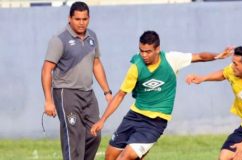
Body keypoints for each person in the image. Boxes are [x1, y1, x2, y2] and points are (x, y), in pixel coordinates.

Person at [90, 30, 233, 160]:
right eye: (141, 51)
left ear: (157, 49)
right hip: (134, 115)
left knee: (126, 157)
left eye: (148, 51)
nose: (144, 55)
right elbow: (121, 95)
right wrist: (102, 120)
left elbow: (199, 57)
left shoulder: (172, 59)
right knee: (110, 156)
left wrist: (218, 56)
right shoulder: (136, 66)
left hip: (155, 122)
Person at [41, 1, 113, 160]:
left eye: (85, 19)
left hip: (88, 94)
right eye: (77, 19)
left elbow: (96, 64)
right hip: (66, 93)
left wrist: (107, 91)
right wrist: (48, 100)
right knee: (74, 137)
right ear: (69, 19)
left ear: (89, 18)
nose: (81, 23)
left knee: (94, 135)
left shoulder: (92, 37)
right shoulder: (59, 40)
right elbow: (47, 69)